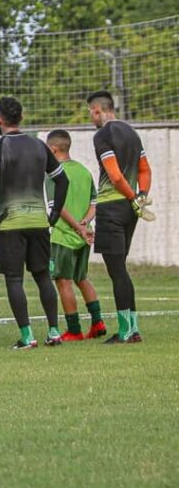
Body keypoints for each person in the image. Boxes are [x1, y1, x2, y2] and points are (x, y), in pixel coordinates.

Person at [0, 97, 69, 350]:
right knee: (42, 277)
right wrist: (54, 213)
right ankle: (54, 332)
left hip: (10, 224)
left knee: (15, 280)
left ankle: (27, 336)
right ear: (21, 118)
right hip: (39, 223)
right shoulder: (40, 146)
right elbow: (63, 181)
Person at [86, 90, 154, 343]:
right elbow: (145, 169)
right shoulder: (132, 133)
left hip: (112, 207)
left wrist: (131, 196)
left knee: (117, 271)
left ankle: (126, 331)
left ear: (97, 110)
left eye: (90, 113)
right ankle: (132, 328)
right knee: (121, 269)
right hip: (130, 209)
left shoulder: (102, 135)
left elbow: (114, 176)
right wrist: (141, 195)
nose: (91, 118)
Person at [45, 130, 106, 341]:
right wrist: (85, 223)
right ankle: (98, 322)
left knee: (63, 281)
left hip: (63, 236)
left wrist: (77, 227)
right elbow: (94, 203)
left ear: (53, 149)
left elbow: (57, 207)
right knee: (82, 278)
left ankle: (74, 330)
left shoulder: (54, 173)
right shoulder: (83, 171)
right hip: (83, 236)